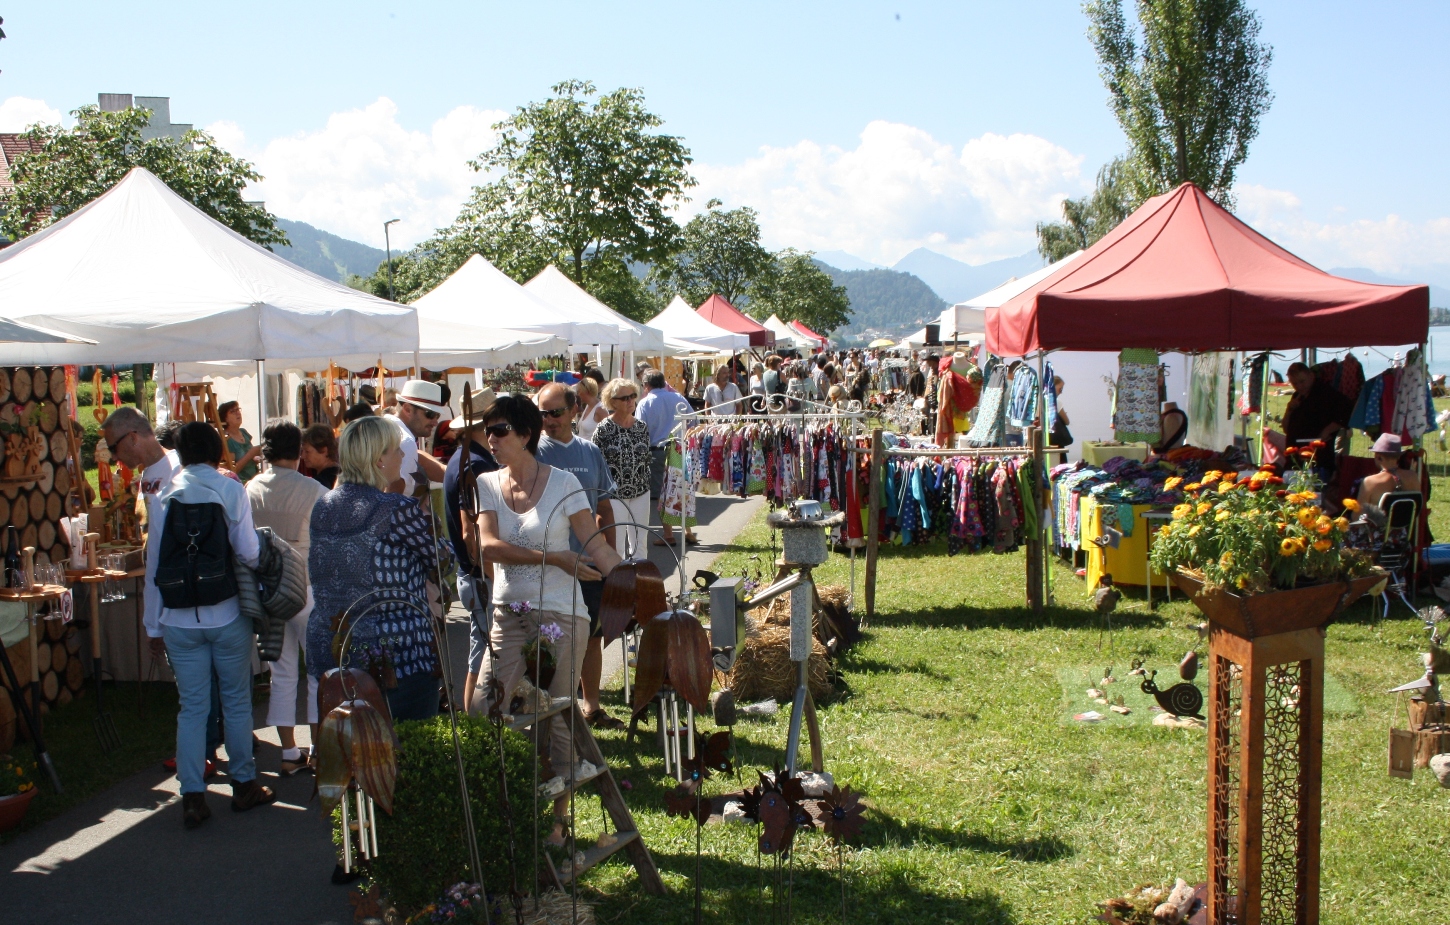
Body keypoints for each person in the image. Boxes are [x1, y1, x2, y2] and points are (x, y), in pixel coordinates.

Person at [468, 394, 623, 847]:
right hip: (508, 612)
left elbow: (593, 545)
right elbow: (487, 547)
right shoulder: (487, 484)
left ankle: (558, 822)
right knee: (484, 707)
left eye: (499, 431)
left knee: (556, 714)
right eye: (487, 430)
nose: (490, 439)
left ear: (525, 434)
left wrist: (630, 582)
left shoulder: (564, 483)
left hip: (561, 614)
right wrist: (553, 558)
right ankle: (501, 808)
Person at [149, 422, 271, 827]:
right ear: (217, 449)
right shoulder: (230, 488)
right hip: (226, 610)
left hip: (179, 617)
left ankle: (192, 794)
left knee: (192, 706)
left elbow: (155, 565)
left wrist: (153, 626)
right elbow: (250, 553)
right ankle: (243, 784)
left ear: (179, 453)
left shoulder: (164, 493)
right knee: (236, 700)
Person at [308, 416, 440, 724]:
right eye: (396, 450)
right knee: (404, 751)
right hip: (395, 654)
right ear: (379, 458)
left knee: (350, 752)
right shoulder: (396, 508)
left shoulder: (323, 505)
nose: (403, 456)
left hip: (335, 650)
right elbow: (440, 559)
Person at [535, 384, 623, 730]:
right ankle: (559, 711)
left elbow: (604, 508)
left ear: (574, 411)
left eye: (555, 413)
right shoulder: (535, 453)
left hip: (590, 565)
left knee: (592, 637)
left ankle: (592, 706)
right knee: (555, 639)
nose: (549, 420)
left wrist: (609, 558)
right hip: (554, 564)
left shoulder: (590, 452)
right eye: (543, 413)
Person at [247, 419, 328, 776]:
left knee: (281, 672)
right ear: (298, 451)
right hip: (307, 584)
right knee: (317, 671)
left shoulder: (251, 487)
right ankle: (317, 749)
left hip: (269, 585)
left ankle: (289, 751)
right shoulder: (312, 489)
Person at [443, 391, 500, 713]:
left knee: (482, 651)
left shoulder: (467, 459)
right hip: (481, 575)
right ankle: (476, 720)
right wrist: (492, 576)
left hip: (475, 574)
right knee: (484, 654)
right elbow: (471, 532)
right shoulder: (474, 464)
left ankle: (475, 719)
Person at [594, 379, 653, 560]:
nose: (630, 401)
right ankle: (617, 584)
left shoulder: (641, 427)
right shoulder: (604, 429)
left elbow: (646, 458)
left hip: (641, 490)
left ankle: (640, 584)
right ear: (613, 402)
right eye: (625, 398)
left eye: (633, 396)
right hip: (614, 494)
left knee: (640, 544)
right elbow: (596, 463)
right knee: (616, 544)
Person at [635, 369, 694, 545]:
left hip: (658, 451)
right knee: (682, 490)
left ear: (646, 385)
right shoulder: (678, 398)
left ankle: (668, 534)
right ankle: (687, 530)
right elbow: (693, 420)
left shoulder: (645, 403)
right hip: (679, 449)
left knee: (662, 493)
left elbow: (640, 431)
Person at [1281, 362, 1351, 474]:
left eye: (1302, 381)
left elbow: (1347, 412)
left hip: (1318, 458)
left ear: (1311, 376)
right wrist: (1289, 410)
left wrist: (1327, 430)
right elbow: (1286, 429)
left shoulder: (1326, 393)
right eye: (1294, 383)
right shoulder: (1297, 397)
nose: (1299, 386)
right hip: (1295, 458)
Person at [391, 380, 449, 493]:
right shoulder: (406, 441)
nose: (435, 422)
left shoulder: (387, 426)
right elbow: (393, 500)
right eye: (430, 414)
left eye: (437, 415)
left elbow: (418, 457)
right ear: (407, 409)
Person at [1358, 433, 1422, 515]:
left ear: (1378, 457)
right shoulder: (1413, 476)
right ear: (1398, 456)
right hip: (1404, 527)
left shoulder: (1369, 482)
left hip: (1377, 527)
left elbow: (1357, 516)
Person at [217, 400, 262, 481]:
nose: (238, 413)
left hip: (254, 478)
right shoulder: (227, 439)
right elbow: (230, 471)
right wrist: (251, 454)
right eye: (232, 411)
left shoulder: (243, 432)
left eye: (238, 409)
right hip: (240, 482)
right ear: (225, 418)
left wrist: (255, 458)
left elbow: (249, 455)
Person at [301, 424, 341, 489]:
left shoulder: (321, 483)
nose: (302, 456)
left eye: (307, 452)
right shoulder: (342, 474)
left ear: (324, 450)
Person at [574, 376, 608, 441]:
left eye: (579, 392)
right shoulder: (587, 406)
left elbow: (608, 433)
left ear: (586, 391)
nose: (578, 395)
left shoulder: (600, 409)